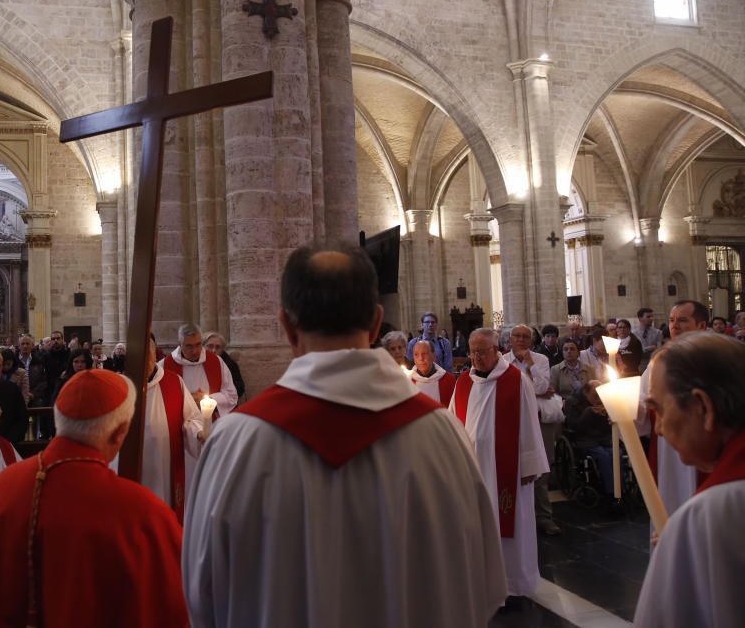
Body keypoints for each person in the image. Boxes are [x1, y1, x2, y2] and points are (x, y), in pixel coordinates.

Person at [183, 245, 506, 627]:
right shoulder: (445, 437)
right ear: (375, 324)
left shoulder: (234, 444)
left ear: (286, 326)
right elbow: (484, 589)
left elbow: (200, 597)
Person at [0, 370, 188, 627]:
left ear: (59, 420)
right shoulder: (143, 511)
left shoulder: (4, 489)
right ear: (120, 433)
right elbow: (173, 609)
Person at [635, 333, 745, 628]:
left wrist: (683, 541)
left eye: (659, 409)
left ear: (703, 408)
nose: (657, 427)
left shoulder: (711, 515)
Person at [450, 328, 548, 599]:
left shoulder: (516, 381)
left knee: (511, 526)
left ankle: (513, 583)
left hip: (508, 471)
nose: (476, 357)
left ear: (496, 350)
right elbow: (451, 423)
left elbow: (529, 425)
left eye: (481, 352)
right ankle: (480, 580)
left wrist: (529, 466)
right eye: (472, 352)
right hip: (473, 468)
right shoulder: (464, 383)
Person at [112, 333, 204, 518]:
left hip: (165, 469)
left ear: (156, 355)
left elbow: (191, 420)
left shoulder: (174, 383)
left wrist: (198, 433)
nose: (144, 360)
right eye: (138, 355)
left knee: (163, 515)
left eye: (148, 354)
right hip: (128, 471)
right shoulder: (118, 386)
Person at [639, 300, 709, 518]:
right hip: (668, 445)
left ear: (701, 326)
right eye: (671, 320)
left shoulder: (716, 357)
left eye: (682, 320)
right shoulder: (660, 361)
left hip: (705, 442)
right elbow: (643, 399)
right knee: (669, 504)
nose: (674, 325)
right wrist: (622, 412)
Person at [504, 324, 561, 536]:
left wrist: (530, 365)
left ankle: (544, 517)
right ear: (510, 339)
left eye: (525, 337)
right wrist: (537, 391)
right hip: (512, 420)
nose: (520, 340)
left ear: (532, 340)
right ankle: (518, 515)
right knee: (516, 467)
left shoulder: (541, 360)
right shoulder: (502, 362)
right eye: (517, 336)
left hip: (537, 418)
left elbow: (541, 387)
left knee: (541, 467)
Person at [164, 323, 238, 417]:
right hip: (181, 421)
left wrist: (209, 399)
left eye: (198, 344)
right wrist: (187, 400)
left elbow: (231, 395)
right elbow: (159, 400)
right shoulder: (165, 365)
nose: (195, 351)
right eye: (189, 346)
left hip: (210, 422)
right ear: (180, 344)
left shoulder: (216, 361)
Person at [408, 339, 456, 405]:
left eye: (424, 353)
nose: (420, 358)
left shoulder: (448, 380)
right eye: (416, 354)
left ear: (434, 356)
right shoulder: (407, 381)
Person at [203, 332, 247, 399]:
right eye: (210, 346)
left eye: (217, 347)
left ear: (222, 350)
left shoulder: (230, 365)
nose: (213, 350)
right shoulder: (196, 362)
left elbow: (239, 388)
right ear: (203, 346)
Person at [632, 307, 662, 372]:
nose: (651, 319)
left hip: (655, 365)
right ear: (640, 318)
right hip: (640, 367)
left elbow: (659, 350)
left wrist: (644, 349)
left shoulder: (658, 333)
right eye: (648, 317)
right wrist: (650, 348)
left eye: (652, 316)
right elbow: (636, 353)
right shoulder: (633, 334)